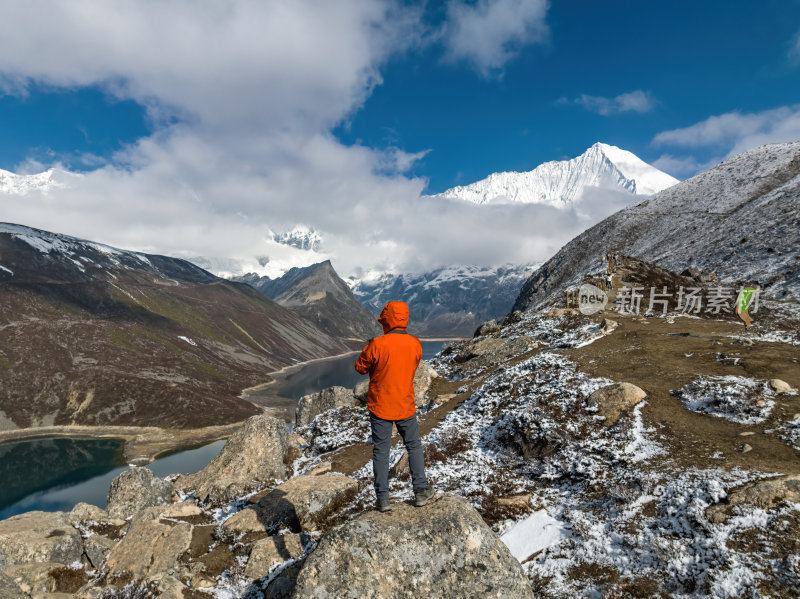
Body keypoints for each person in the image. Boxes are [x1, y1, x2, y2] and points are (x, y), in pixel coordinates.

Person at [355, 301, 434, 512]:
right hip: (405, 404)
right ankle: (420, 492)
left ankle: (383, 499)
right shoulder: (415, 344)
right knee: (414, 446)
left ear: (386, 320)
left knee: (381, 450)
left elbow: (360, 367)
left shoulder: (377, 345)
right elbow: (412, 366)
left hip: (380, 405)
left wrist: (369, 346)